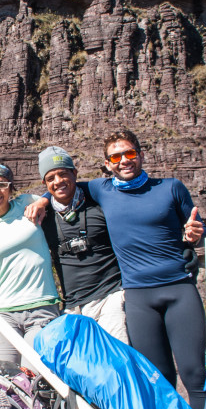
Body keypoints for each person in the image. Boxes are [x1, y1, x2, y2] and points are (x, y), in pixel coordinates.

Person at [88, 129, 206, 409]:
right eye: (115, 156)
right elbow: (61, 186)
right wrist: (42, 201)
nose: (124, 160)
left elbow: (197, 229)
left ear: (141, 155)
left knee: (195, 375)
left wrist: (194, 236)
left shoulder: (170, 187)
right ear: (107, 164)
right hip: (139, 297)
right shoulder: (100, 190)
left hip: (179, 290)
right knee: (158, 379)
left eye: (130, 153)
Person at [35, 147, 128, 344]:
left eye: (63, 173)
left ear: (74, 173)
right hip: (72, 306)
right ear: (45, 183)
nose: (58, 181)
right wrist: (43, 200)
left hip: (110, 296)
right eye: (50, 178)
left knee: (117, 358)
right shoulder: (43, 215)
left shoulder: (99, 202)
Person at [0, 163, 60, 366]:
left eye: (2, 184)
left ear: (11, 188)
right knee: (9, 381)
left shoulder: (26, 203)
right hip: (3, 313)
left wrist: (42, 202)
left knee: (38, 376)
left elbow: (57, 193)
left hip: (42, 307)